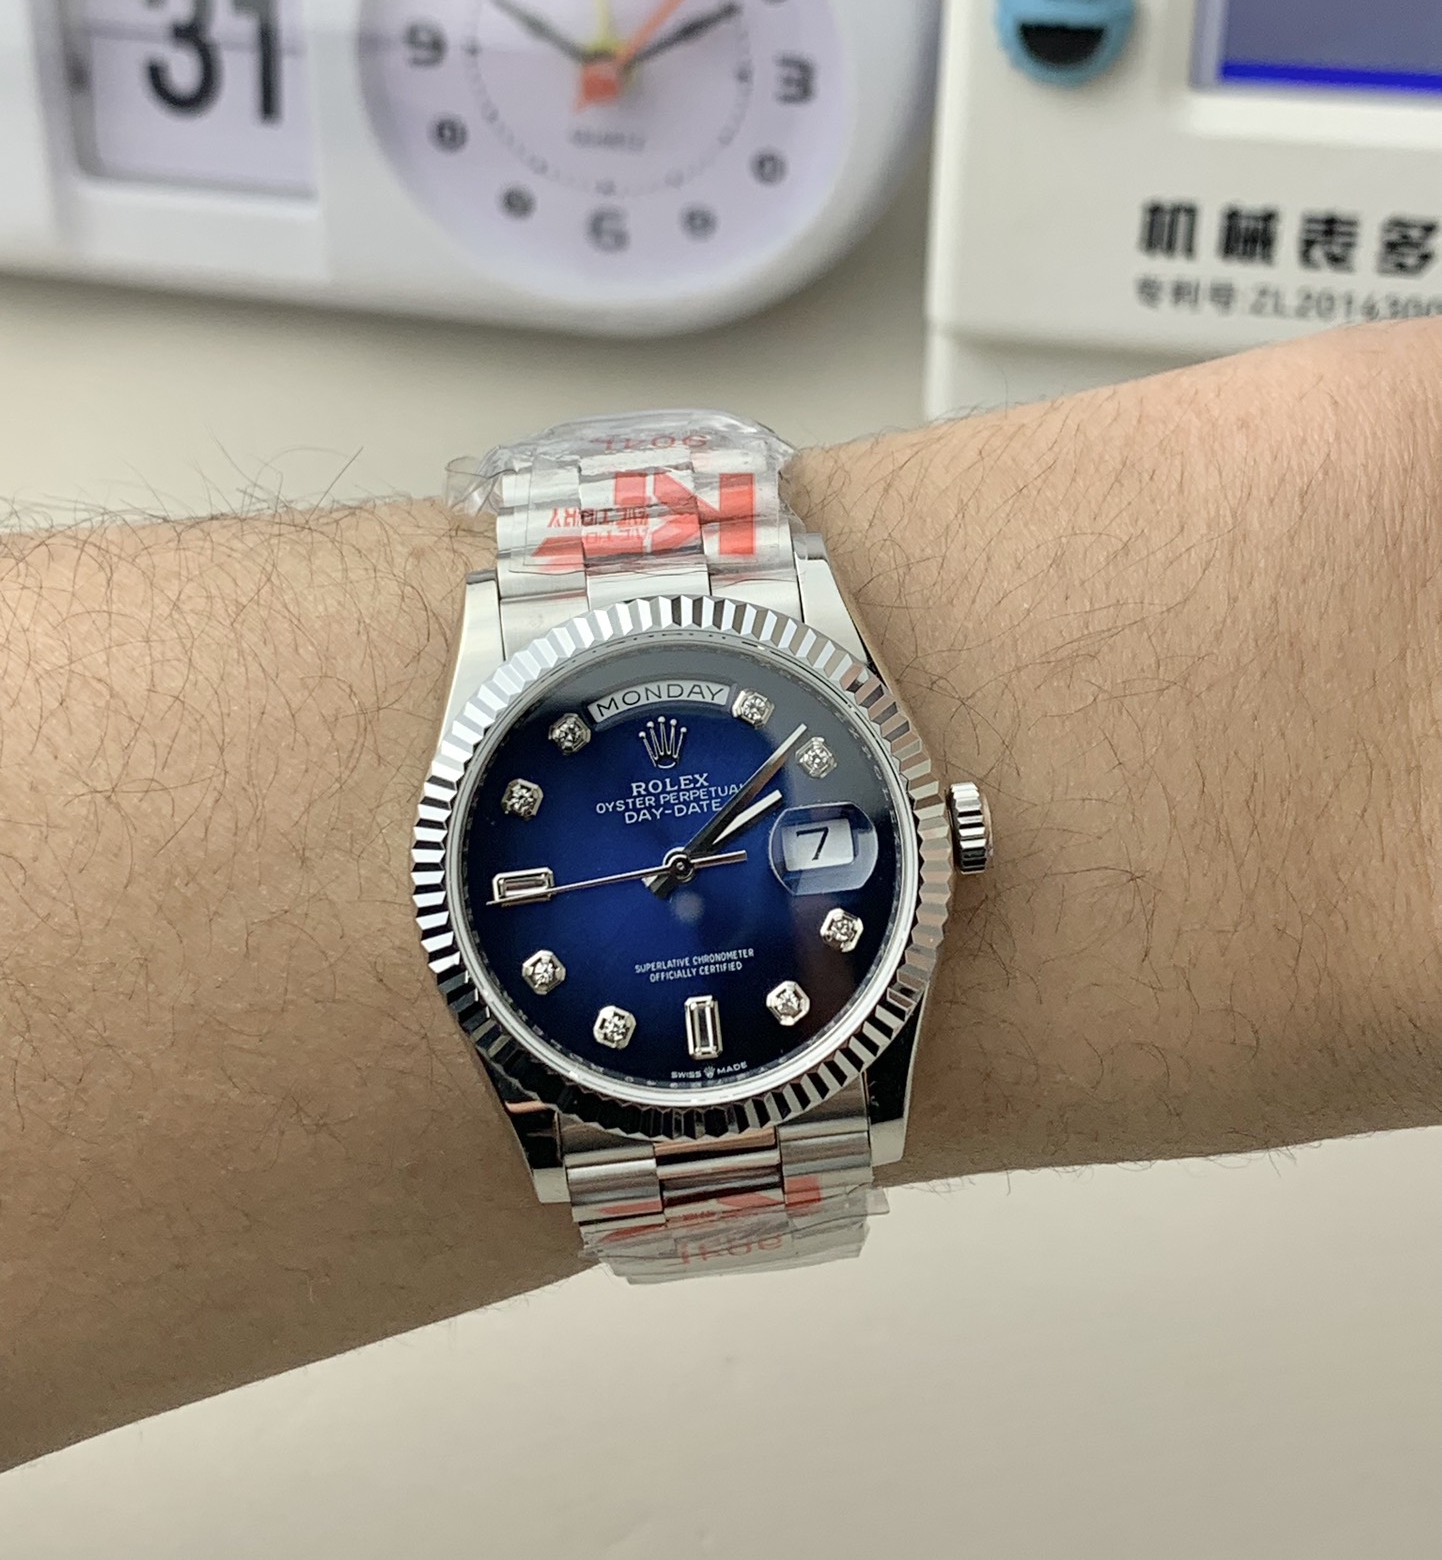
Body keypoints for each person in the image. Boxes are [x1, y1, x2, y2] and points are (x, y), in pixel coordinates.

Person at [2, 320, 1439, 1470]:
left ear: (949, 833)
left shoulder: (847, 797)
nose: (675, 866)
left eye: (686, 858)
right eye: (670, 860)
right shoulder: (514, 799)